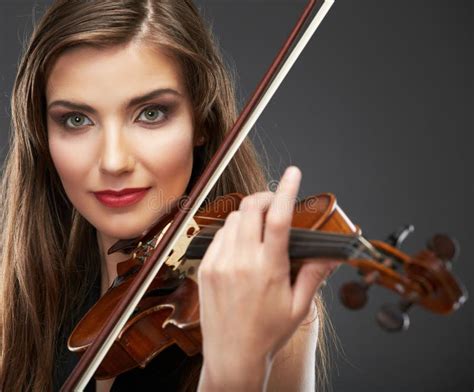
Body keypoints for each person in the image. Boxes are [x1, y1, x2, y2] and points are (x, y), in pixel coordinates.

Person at [0, 1, 339, 391]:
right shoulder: (22, 300)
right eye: (77, 120)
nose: (113, 161)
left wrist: (237, 368)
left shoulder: (272, 308)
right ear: (42, 136)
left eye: (150, 113)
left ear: (202, 123)